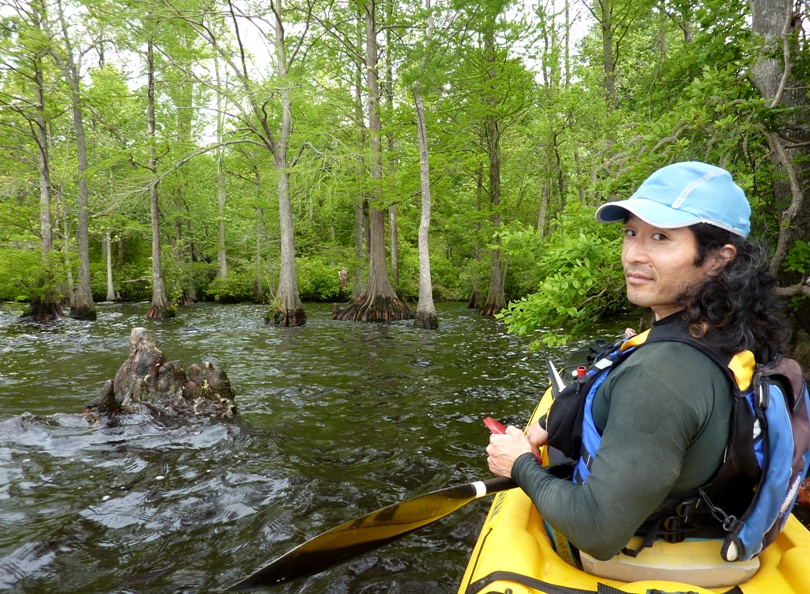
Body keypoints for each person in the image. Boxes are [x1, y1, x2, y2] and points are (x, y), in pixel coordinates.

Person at [486, 161, 789, 561]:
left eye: (660, 237)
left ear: (718, 258)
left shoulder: (661, 376)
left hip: (645, 553)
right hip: (713, 518)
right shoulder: (729, 330)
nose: (633, 254)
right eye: (631, 233)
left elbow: (596, 532)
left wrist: (520, 463)